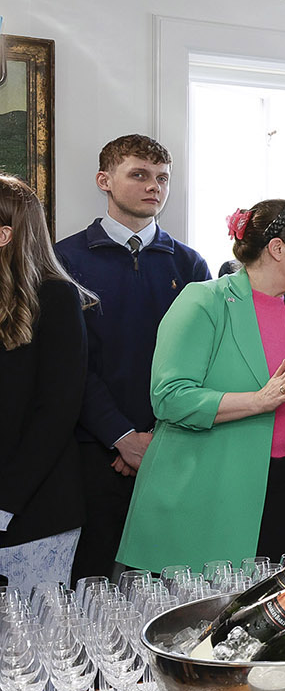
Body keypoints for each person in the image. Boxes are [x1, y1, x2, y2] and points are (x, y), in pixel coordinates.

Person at [117, 199, 285, 573]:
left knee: (275, 606)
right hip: (208, 493)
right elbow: (169, 398)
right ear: (277, 249)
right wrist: (255, 401)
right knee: (205, 608)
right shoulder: (204, 302)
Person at [54, 134, 211, 582]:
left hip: (174, 446)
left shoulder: (190, 265)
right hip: (93, 451)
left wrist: (155, 439)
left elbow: (202, 362)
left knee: (168, 586)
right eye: (139, 174)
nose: (153, 186)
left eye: (162, 178)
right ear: (104, 180)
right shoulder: (64, 259)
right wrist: (121, 437)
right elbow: (69, 365)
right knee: (90, 584)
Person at [0, 175, 91, 596]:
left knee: (33, 632)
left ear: (4, 235)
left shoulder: (56, 297)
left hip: (34, 510)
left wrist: (5, 503)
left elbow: (56, 413)